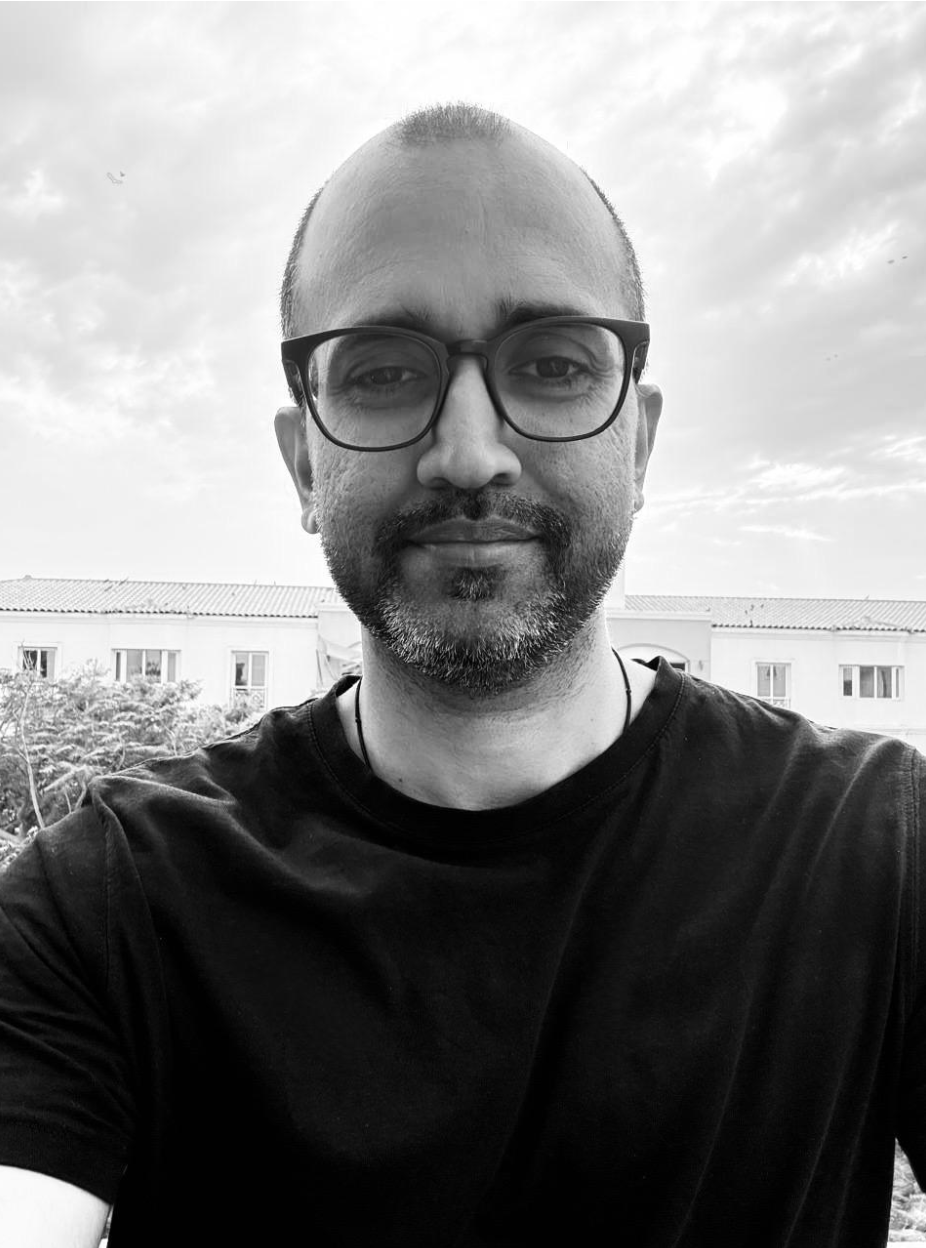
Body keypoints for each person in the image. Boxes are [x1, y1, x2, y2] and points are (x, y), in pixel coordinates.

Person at [0, 102, 922, 1247]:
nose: (470, 453)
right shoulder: (109, 900)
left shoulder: (873, 846)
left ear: (637, 444)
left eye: (552, 364)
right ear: (303, 463)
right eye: (386, 372)